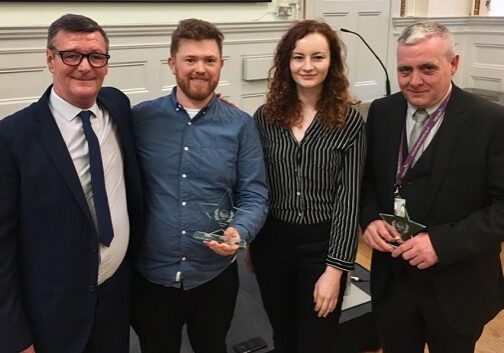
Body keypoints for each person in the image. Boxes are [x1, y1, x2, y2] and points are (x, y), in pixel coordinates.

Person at [0, 13, 143, 353]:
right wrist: (14, 336)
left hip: (114, 295)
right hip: (51, 312)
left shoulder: (117, 106)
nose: (84, 66)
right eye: (71, 55)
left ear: (106, 64)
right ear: (50, 59)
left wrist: (209, 106)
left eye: (96, 56)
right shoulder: (12, 138)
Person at [360, 21, 504, 353]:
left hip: (458, 288)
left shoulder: (492, 122)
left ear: (453, 64)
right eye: (404, 69)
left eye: (427, 68)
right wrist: (368, 219)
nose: (414, 81)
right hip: (392, 281)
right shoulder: (381, 112)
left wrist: (441, 244)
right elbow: (365, 181)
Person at [130, 18, 268, 353]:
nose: (200, 69)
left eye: (209, 60)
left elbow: (254, 193)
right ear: (172, 64)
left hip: (213, 276)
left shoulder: (241, 125)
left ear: (221, 65)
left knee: (212, 345)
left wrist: (239, 231)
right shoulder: (139, 119)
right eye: (190, 60)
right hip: (152, 276)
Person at [250, 20, 366, 353]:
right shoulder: (266, 117)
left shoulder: (348, 121)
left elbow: (348, 199)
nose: (308, 66)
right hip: (272, 243)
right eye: (298, 57)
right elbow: (256, 184)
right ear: (287, 62)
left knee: (318, 339)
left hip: (322, 246)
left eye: (318, 57)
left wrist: (336, 270)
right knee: (282, 336)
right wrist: (250, 242)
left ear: (332, 63)